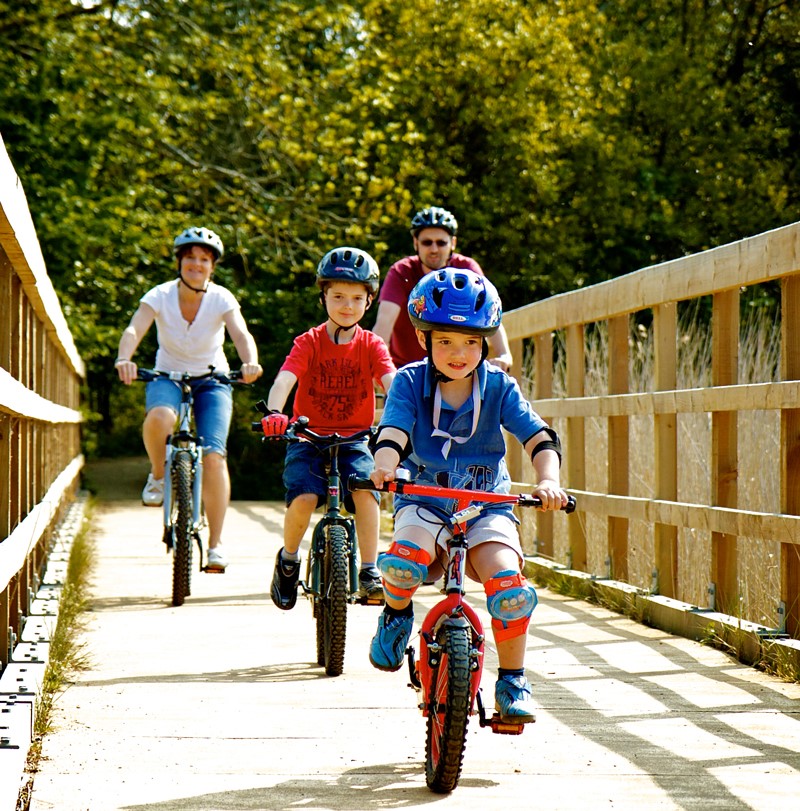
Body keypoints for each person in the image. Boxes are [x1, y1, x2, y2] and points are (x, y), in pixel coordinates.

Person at [367, 267, 568, 723]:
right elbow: (394, 431)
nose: (458, 353)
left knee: (509, 586)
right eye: (445, 342)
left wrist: (548, 480)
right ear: (424, 340)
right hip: (423, 498)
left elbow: (539, 438)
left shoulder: (498, 387)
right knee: (402, 564)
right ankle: (397, 615)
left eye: (470, 343)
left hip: (486, 505)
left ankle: (513, 678)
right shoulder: (408, 382)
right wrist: (385, 465)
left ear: (484, 343)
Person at [115, 226, 263, 571]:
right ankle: (157, 474)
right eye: (190, 258)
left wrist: (249, 362)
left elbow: (241, 333)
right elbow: (135, 328)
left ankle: (216, 545)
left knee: (214, 455)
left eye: (204, 260)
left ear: (212, 266)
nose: (196, 264)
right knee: (160, 418)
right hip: (167, 375)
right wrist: (125, 357)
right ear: (180, 262)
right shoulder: (160, 295)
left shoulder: (222, 298)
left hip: (212, 379)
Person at [262, 246, 396, 607]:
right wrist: (276, 412)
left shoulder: (371, 344)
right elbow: (284, 378)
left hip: (355, 439)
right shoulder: (309, 341)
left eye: (356, 298)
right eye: (337, 296)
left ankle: (368, 570)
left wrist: (406, 414)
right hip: (307, 436)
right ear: (323, 297)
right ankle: (289, 560)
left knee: (367, 492)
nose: (346, 306)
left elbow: (392, 382)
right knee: (304, 497)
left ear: (369, 302)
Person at [372, 205, 513, 371]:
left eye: (441, 243)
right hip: (408, 372)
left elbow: (488, 312)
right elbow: (384, 321)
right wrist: (380, 366)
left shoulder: (466, 269)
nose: (434, 249)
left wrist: (504, 354)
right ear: (416, 243)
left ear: (453, 243)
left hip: (456, 370)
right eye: (427, 242)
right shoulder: (401, 272)